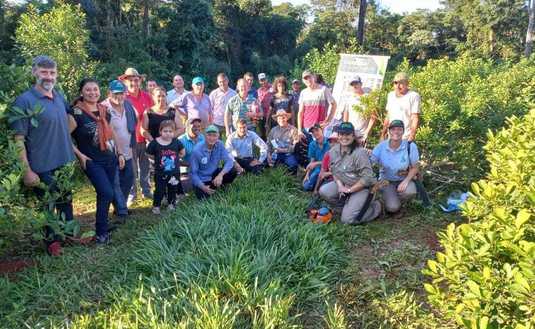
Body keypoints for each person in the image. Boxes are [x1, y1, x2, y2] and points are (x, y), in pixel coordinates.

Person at [10, 55, 76, 255]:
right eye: (44, 72)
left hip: (64, 161)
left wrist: (62, 135)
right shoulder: (24, 101)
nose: (49, 77)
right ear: (34, 72)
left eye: (52, 73)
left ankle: (68, 236)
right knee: (46, 206)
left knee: (65, 201)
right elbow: (18, 140)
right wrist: (26, 170)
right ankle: (51, 243)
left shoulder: (58, 97)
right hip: (41, 165)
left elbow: (70, 120)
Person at [68, 78, 125, 244]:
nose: (92, 92)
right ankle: (101, 232)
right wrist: (80, 156)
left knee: (106, 194)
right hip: (92, 161)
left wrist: (119, 153)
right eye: (88, 90)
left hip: (109, 158)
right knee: (106, 192)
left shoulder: (104, 110)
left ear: (100, 91)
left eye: (95, 89)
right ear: (81, 92)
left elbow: (112, 131)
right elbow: (65, 136)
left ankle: (102, 229)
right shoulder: (76, 113)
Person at [318, 122, 382, 224]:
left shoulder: (359, 153)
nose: (344, 137)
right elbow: (334, 170)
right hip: (344, 183)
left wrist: (349, 190)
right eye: (342, 134)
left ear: (353, 136)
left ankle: (375, 208)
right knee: (324, 191)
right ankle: (345, 207)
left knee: (347, 220)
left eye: (347, 134)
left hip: (363, 188)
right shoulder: (333, 151)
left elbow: (367, 178)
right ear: (338, 135)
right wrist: (339, 186)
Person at [101, 80, 137, 213]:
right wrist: (118, 152)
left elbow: (134, 124)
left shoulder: (128, 105)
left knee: (128, 179)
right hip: (111, 153)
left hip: (127, 150)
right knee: (114, 182)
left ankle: (120, 205)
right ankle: (122, 210)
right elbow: (107, 132)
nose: (119, 96)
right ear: (109, 93)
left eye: (122, 93)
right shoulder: (104, 108)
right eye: (116, 93)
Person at [118, 67, 153, 202]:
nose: (134, 83)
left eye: (136, 80)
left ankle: (146, 190)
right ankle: (132, 194)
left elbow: (152, 114)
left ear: (140, 81)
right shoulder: (122, 97)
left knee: (145, 167)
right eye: (131, 80)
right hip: (129, 139)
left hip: (145, 138)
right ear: (126, 82)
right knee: (131, 168)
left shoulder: (146, 96)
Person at [371, 120, 419, 214]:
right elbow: (371, 162)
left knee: (410, 192)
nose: (396, 132)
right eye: (393, 129)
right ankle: (388, 200)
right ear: (389, 131)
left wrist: (406, 181)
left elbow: (415, 167)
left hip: (403, 179)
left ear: (403, 131)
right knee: (393, 208)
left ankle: (399, 201)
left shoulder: (410, 146)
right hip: (386, 181)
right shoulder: (381, 147)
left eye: (399, 129)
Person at [146, 120, 185, 214]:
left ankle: (171, 204)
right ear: (160, 131)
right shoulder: (155, 143)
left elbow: (182, 152)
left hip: (174, 172)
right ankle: (156, 206)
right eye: (165, 131)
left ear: (174, 132)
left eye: (170, 131)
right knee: (159, 189)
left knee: (173, 188)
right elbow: (148, 153)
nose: (168, 133)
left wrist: (175, 158)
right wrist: (156, 159)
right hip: (160, 173)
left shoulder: (176, 142)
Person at [189, 125, 237, 199]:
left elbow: (229, 161)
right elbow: (193, 174)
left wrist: (220, 175)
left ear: (218, 136)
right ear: (204, 135)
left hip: (214, 174)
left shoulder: (220, 144)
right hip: (202, 179)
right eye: (209, 135)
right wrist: (203, 187)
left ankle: (222, 184)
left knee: (233, 170)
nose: (212, 138)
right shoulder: (197, 150)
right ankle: (207, 187)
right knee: (205, 199)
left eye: (214, 135)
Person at [327, 76, 376, 142]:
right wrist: (346, 129)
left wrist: (367, 132)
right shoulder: (349, 99)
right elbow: (346, 114)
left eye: (356, 83)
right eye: (352, 84)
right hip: (351, 133)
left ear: (361, 84)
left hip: (362, 134)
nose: (354, 86)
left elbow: (373, 116)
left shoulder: (368, 98)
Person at [382, 72, 421, 141]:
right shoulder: (390, 95)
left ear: (407, 84)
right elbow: (388, 116)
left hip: (405, 137)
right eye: (396, 83)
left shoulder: (413, 96)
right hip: (390, 136)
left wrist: (412, 136)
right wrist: (383, 134)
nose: (398, 85)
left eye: (401, 83)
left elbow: (415, 117)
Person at [298, 71, 336, 137]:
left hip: (319, 127)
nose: (308, 80)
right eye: (305, 78)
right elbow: (300, 112)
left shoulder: (323, 89)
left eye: (309, 77)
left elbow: (334, 104)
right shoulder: (303, 92)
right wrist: (299, 129)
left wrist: (328, 120)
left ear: (314, 77)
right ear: (303, 81)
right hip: (306, 128)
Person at [267, 109, 299, 174]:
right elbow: (268, 143)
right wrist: (268, 154)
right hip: (275, 154)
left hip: (288, 154)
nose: (281, 120)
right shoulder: (273, 130)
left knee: (293, 165)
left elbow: (295, 147)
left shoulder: (293, 130)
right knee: (265, 163)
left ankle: (290, 177)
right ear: (277, 120)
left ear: (287, 118)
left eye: (283, 118)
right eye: (279, 118)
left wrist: (282, 150)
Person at [303, 124, 330, 191]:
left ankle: (321, 185)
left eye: (317, 130)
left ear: (322, 130)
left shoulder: (330, 142)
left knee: (318, 173)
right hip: (317, 169)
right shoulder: (312, 144)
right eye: (313, 132)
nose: (315, 133)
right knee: (306, 186)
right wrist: (307, 174)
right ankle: (317, 184)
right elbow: (312, 161)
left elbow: (332, 160)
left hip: (329, 168)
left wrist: (316, 163)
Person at [257, 73, 272, 138]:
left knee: (271, 133)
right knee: (262, 134)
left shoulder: (272, 88)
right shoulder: (258, 91)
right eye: (261, 80)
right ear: (259, 81)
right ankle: (264, 147)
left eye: (264, 79)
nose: (263, 82)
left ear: (267, 79)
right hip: (262, 116)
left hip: (271, 115)